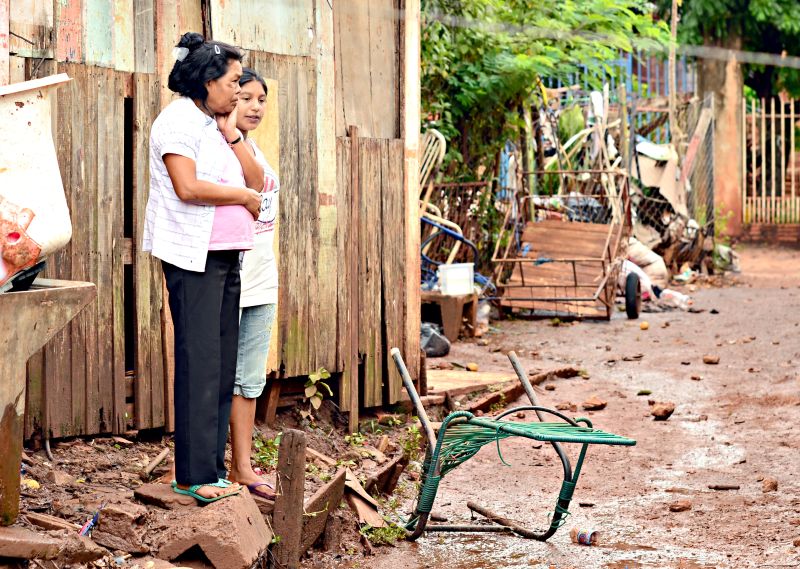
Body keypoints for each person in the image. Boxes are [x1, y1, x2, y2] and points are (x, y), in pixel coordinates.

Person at [142, 32, 264, 503]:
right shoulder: (177, 122)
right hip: (192, 258)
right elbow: (188, 188)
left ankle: (212, 471)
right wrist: (242, 197)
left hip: (225, 256)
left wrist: (232, 135)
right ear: (207, 80)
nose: (238, 92)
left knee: (220, 362)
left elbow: (257, 179)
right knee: (199, 362)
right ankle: (193, 474)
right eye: (233, 82)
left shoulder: (214, 125)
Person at [226, 69, 280, 499]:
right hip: (227, 279)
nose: (256, 106)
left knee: (248, 380)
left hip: (262, 281)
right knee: (217, 377)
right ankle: (209, 466)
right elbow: (253, 184)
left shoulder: (252, 145)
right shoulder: (223, 148)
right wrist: (233, 136)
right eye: (246, 97)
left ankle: (242, 466)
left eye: (261, 99)